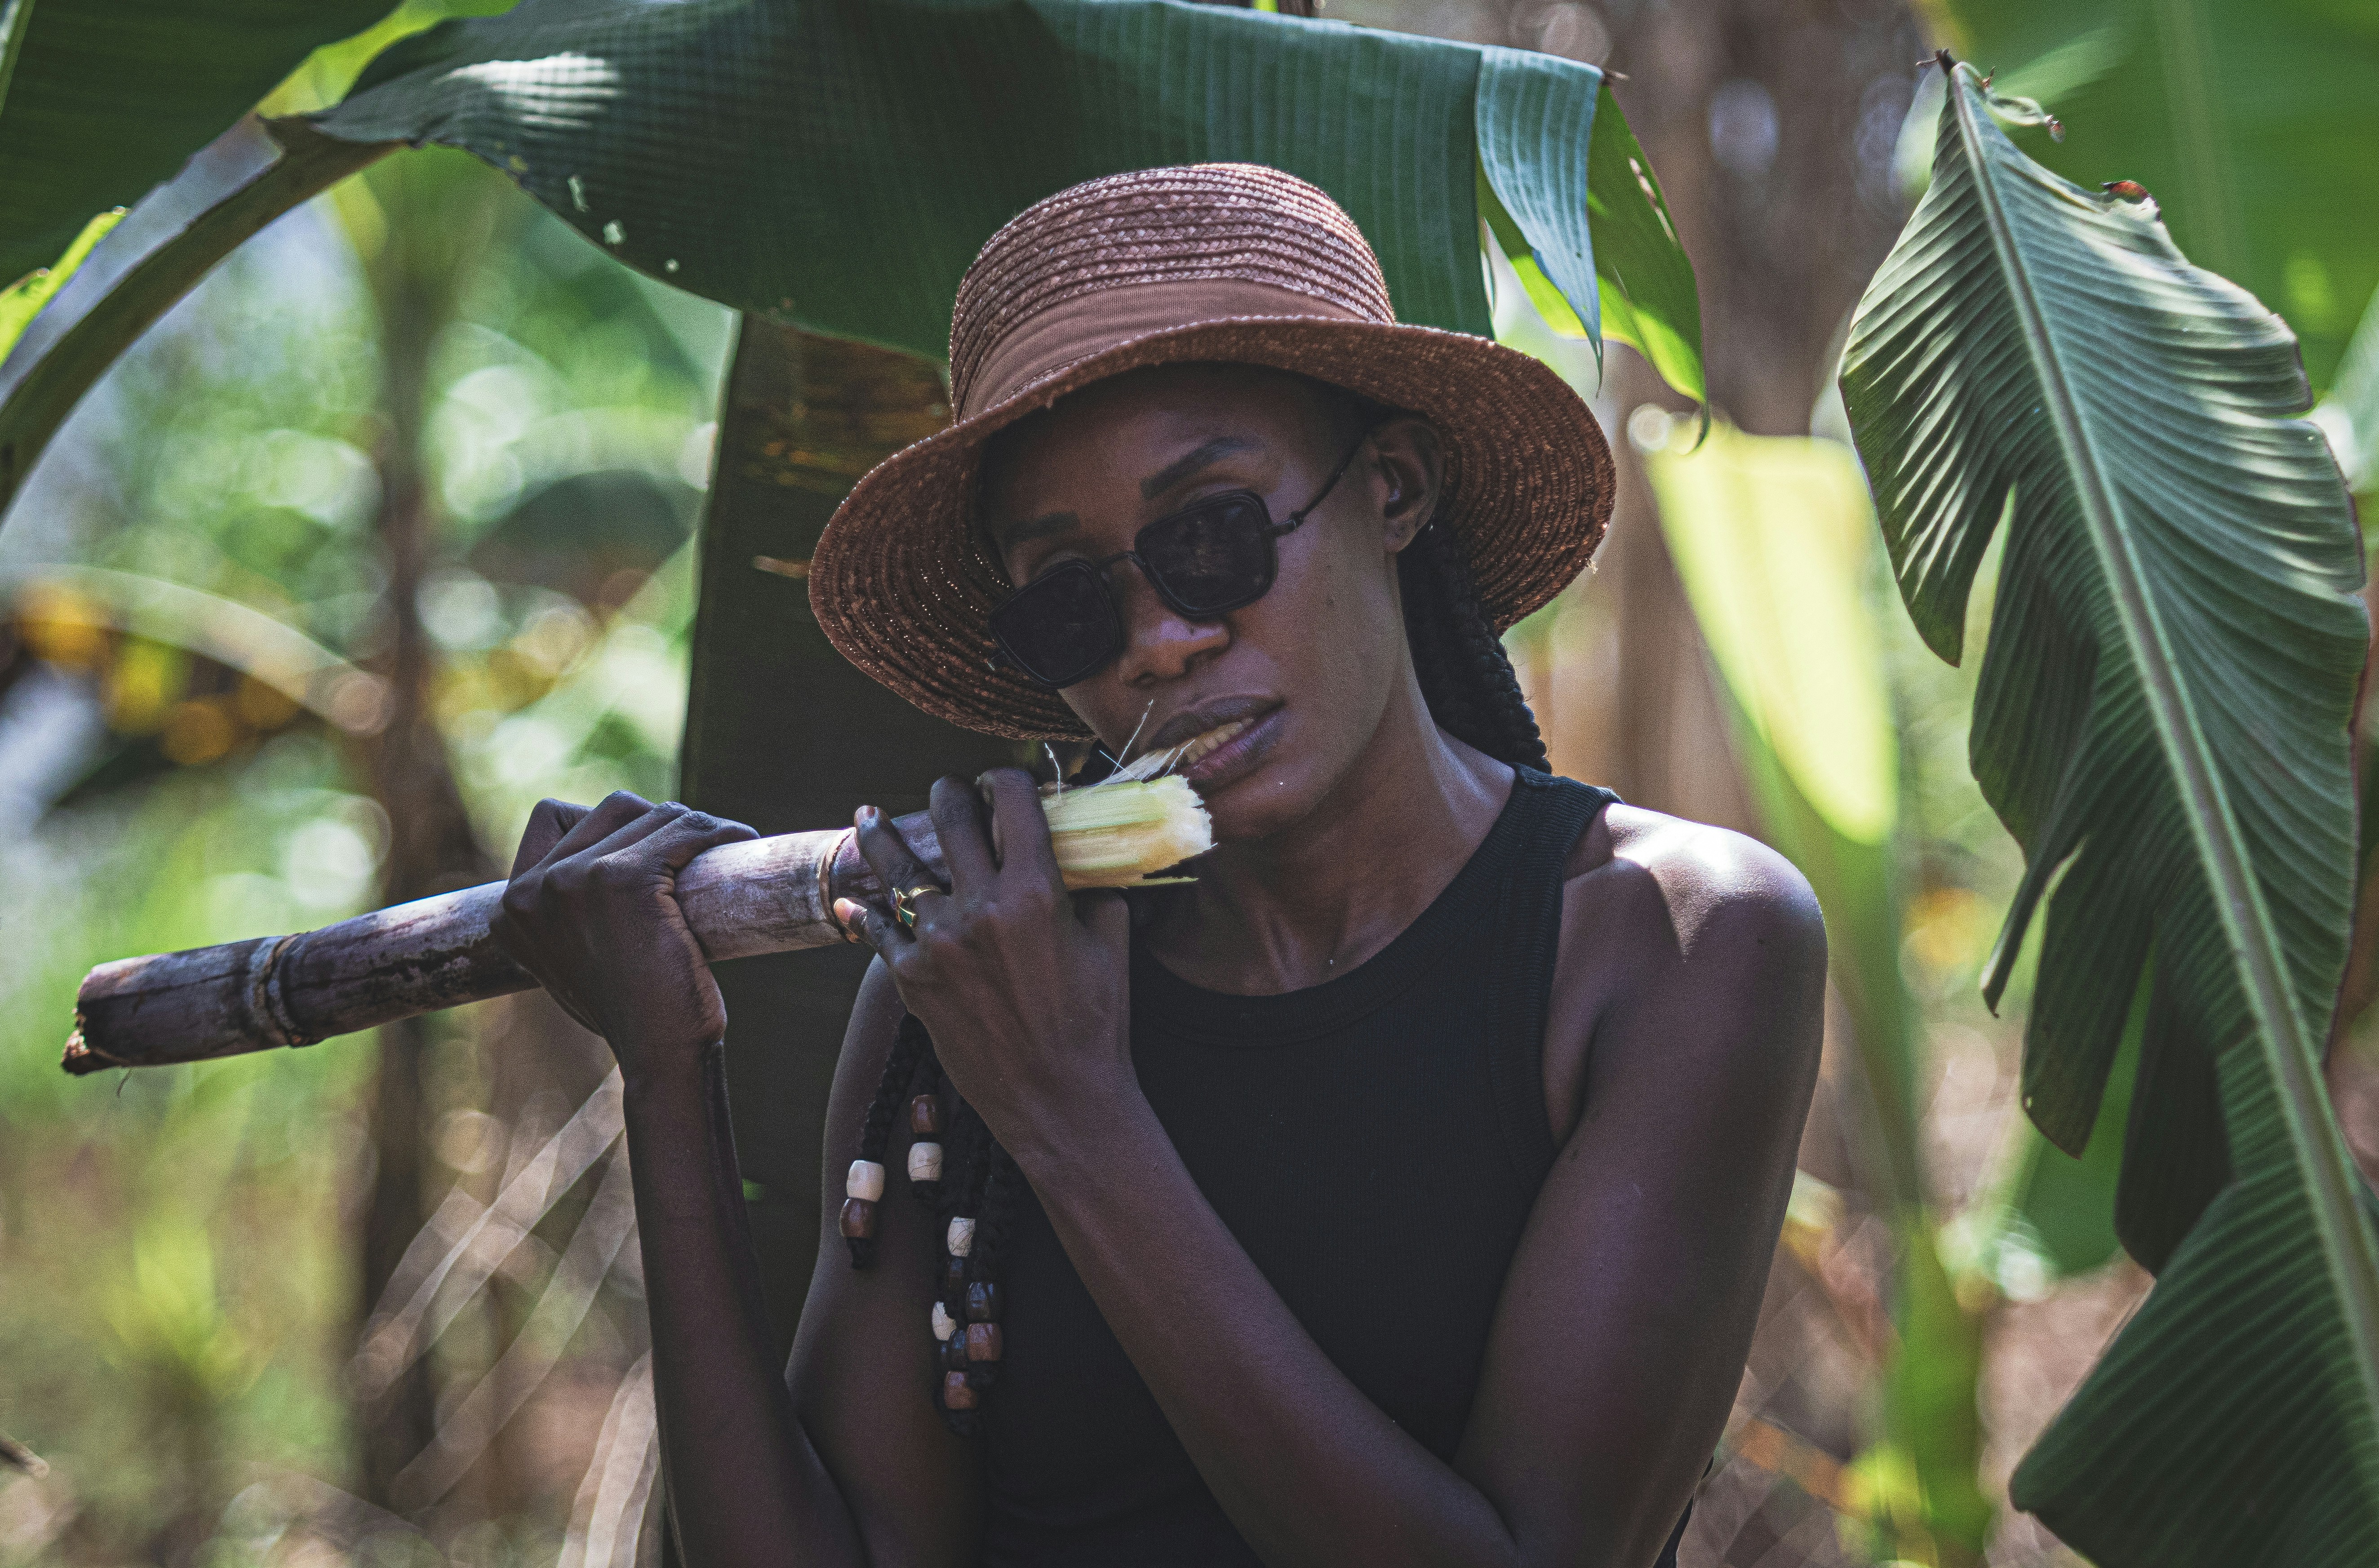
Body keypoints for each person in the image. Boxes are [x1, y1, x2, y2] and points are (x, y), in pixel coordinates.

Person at [491, 165, 1824, 1568]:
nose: (1161, 643)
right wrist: (665, 1070)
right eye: (1071, 600)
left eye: (1213, 536)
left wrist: (1071, 1109)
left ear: (1394, 489)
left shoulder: (1671, 943)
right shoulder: (979, 982)